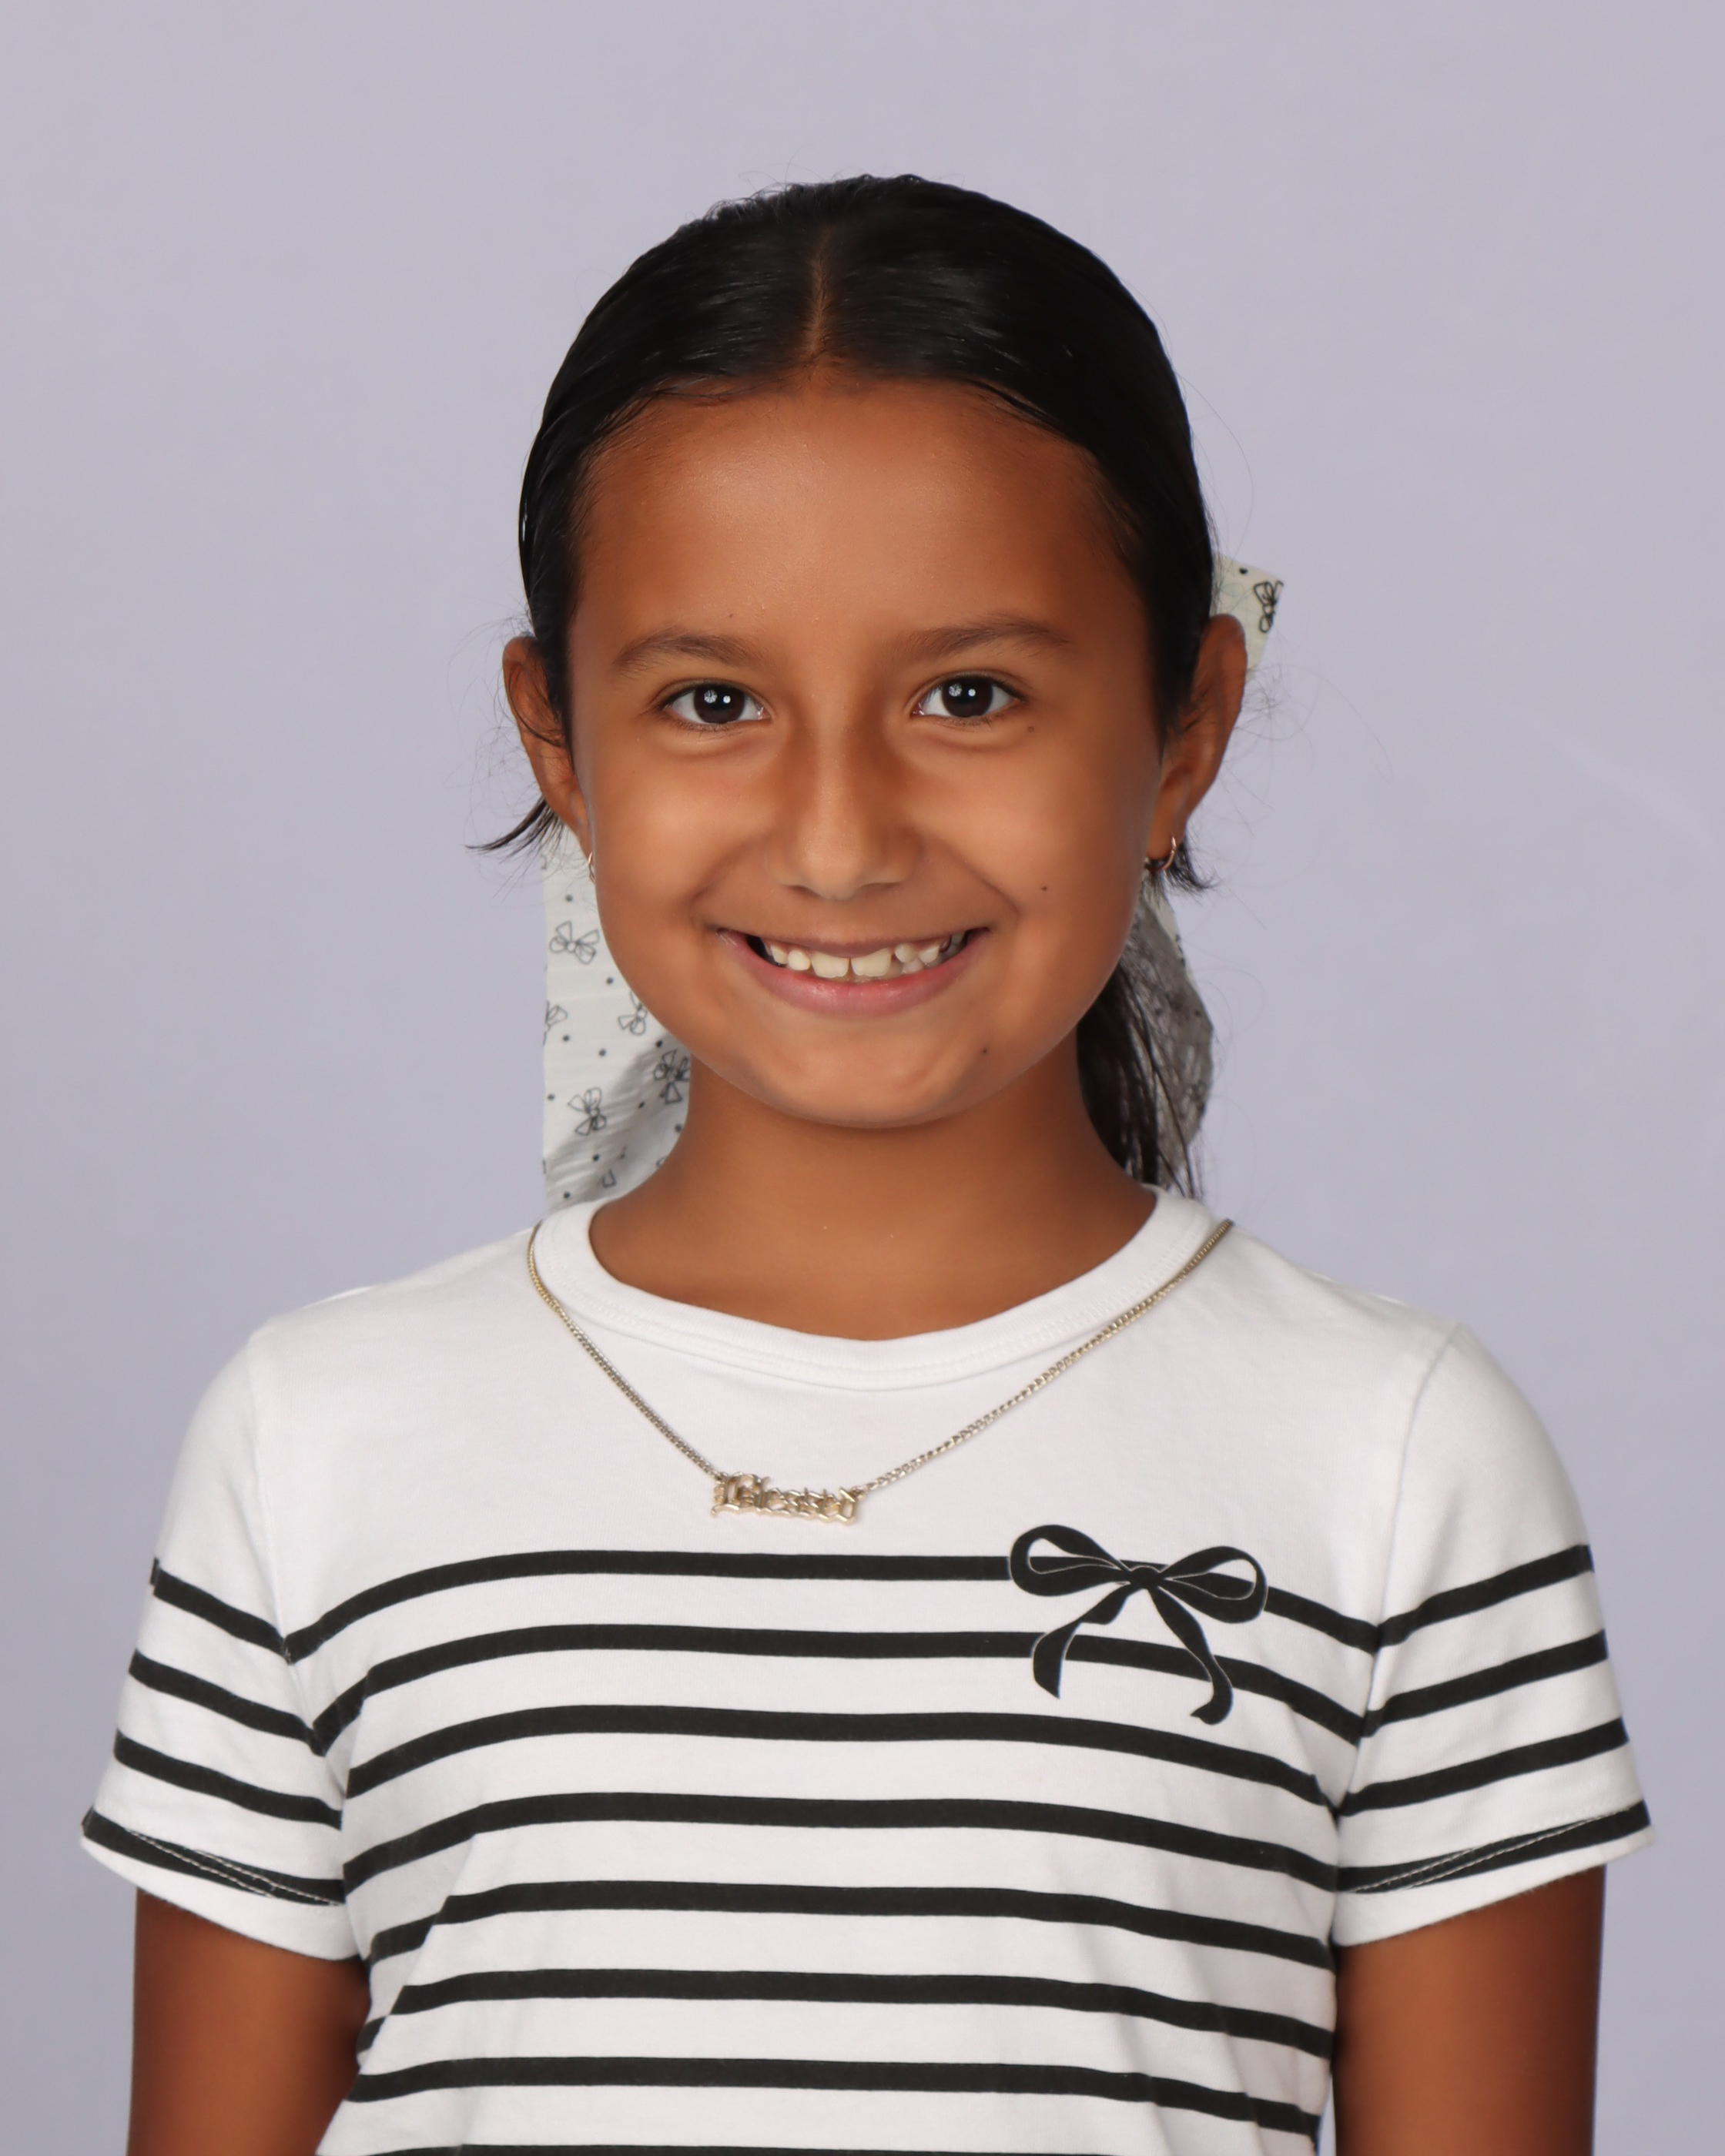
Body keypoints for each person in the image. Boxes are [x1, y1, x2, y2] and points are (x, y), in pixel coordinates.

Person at [85, 176, 1649, 2156]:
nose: (837, 837)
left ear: (1185, 726)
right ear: (557, 741)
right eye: (713, 701)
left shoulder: (1399, 1460)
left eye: (967, 695)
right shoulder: (317, 1438)